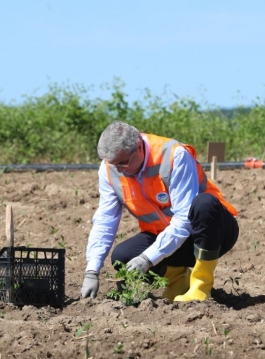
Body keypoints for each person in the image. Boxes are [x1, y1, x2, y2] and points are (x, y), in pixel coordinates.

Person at [80, 121, 239, 302]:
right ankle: (178, 279)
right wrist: (91, 271)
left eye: (123, 163)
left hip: (213, 233)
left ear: (139, 146)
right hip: (170, 239)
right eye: (114, 164)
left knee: (204, 204)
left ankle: (200, 286)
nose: (120, 170)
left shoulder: (174, 155)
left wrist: (148, 259)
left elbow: (184, 219)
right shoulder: (110, 169)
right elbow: (105, 220)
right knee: (122, 256)